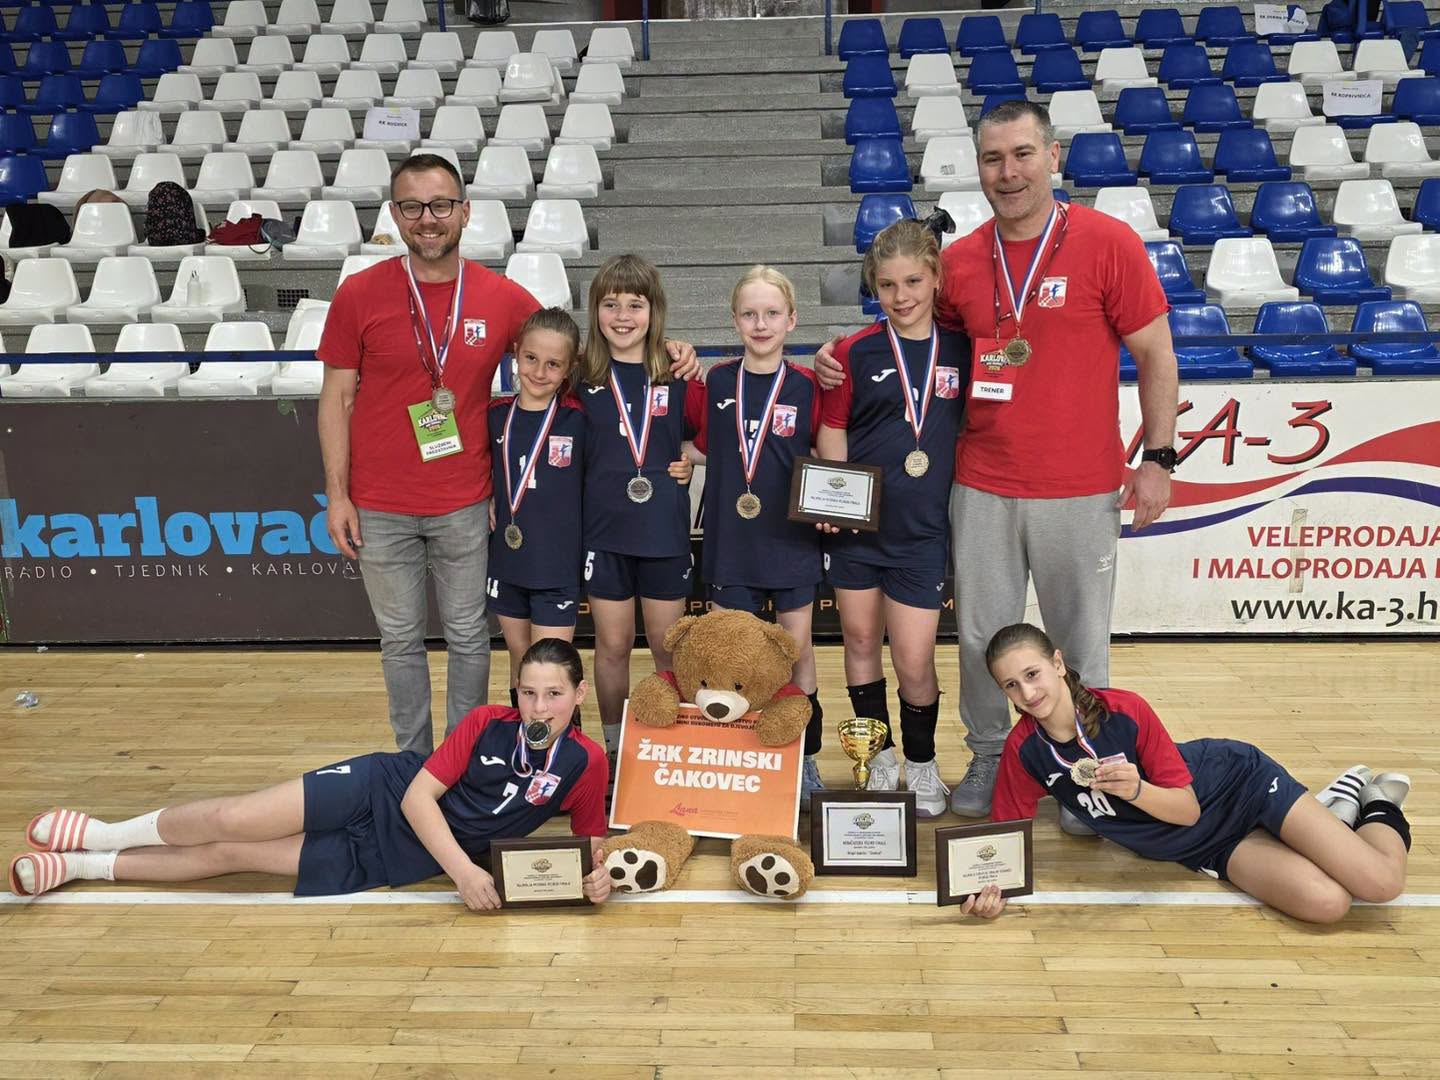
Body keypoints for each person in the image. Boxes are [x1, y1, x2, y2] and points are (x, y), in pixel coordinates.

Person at [817, 101, 1180, 821]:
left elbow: (1156, 353)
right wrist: (839, 355)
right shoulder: (958, 263)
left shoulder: (1108, 243)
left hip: (1080, 485)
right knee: (983, 638)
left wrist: (1159, 458)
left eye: (1021, 154)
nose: (1007, 172)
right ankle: (989, 754)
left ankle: (1086, 768)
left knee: (1077, 643)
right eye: (992, 159)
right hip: (980, 485)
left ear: (1052, 157)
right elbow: (914, 337)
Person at [318, 158, 698, 756]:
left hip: (467, 501)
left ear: (465, 211)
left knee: (470, 639)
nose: (428, 218)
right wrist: (338, 494)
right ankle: (411, 763)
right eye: (412, 206)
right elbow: (336, 398)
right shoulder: (358, 294)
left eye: (441, 204)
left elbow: (569, 350)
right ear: (393, 214)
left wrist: (666, 350)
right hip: (379, 502)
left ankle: (462, 759)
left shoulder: (499, 297)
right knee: (400, 641)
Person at [11, 640, 615, 910]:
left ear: (579, 693)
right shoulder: (486, 722)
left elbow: (590, 844)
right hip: (384, 790)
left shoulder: (586, 761)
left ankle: (83, 867)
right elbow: (418, 799)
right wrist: (463, 873)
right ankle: (100, 833)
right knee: (234, 817)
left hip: (400, 856)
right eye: (528, 692)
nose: (539, 707)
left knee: (234, 853)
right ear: (515, 691)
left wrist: (597, 880)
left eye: (554, 694)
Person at [960, 623, 1412, 923]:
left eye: (1033, 673)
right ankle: (1332, 813)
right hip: (1206, 846)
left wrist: (1136, 790)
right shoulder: (1024, 750)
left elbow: (1188, 809)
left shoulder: (1125, 711)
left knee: (1381, 883)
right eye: (1011, 685)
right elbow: (1004, 835)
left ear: (1057, 664)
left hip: (1238, 786)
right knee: (1328, 904)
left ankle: (1376, 803)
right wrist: (990, 891)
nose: (1028, 692)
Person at [816, 220, 968, 818]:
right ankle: (878, 759)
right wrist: (834, 503)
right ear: (873, 287)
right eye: (886, 285)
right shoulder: (852, 353)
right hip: (860, 532)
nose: (901, 296)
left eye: (913, 282)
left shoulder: (961, 348)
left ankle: (922, 764)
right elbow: (833, 429)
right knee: (859, 641)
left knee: (913, 658)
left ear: (935, 278)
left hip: (922, 535)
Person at [686, 266, 827, 807]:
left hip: (791, 542)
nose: (760, 324)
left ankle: (805, 758)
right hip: (731, 543)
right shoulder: (717, 382)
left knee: (799, 654)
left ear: (792, 320)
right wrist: (676, 461)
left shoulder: (808, 386)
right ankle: (736, 759)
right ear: (734, 320)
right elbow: (702, 445)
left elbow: (825, 456)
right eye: (750, 314)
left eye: (771, 313)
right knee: (729, 658)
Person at [577, 255, 698, 761]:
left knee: (668, 649)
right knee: (613, 646)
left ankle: (669, 751)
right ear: (595, 310)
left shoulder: (677, 372)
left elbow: (705, 438)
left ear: (654, 310)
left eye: (635, 304)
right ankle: (615, 751)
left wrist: (688, 460)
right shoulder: (579, 376)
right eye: (611, 304)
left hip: (663, 533)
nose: (623, 316)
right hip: (604, 535)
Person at [486, 308, 588, 702]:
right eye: (531, 358)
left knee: (552, 669)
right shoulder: (495, 416)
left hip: (556, 566)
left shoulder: (578, 420)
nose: (540, 372)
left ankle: (563, 742)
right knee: (521, 664)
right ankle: (523, 738)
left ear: (569, 368)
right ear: (515, 353)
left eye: (553, 364)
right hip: (508, 562)